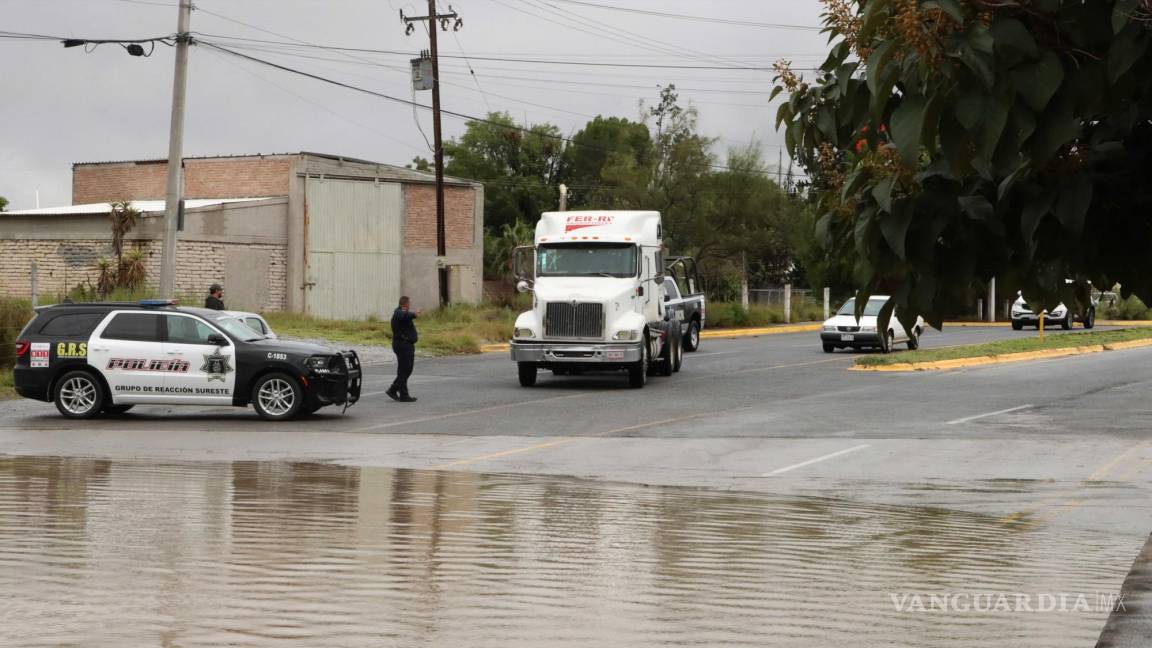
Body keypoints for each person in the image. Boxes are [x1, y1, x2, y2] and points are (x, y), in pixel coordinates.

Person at [386, 296, 421, 403]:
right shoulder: (399, 312)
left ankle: (393, 389)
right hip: (402, 345)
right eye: (409, 303)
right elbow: (403, 315)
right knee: (404, 370)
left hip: (406, 345)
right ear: (405, 304)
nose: (410, 304)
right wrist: (414, 314)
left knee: (407, 369)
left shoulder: (403, 313)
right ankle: (403, 395)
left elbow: (405, 316)